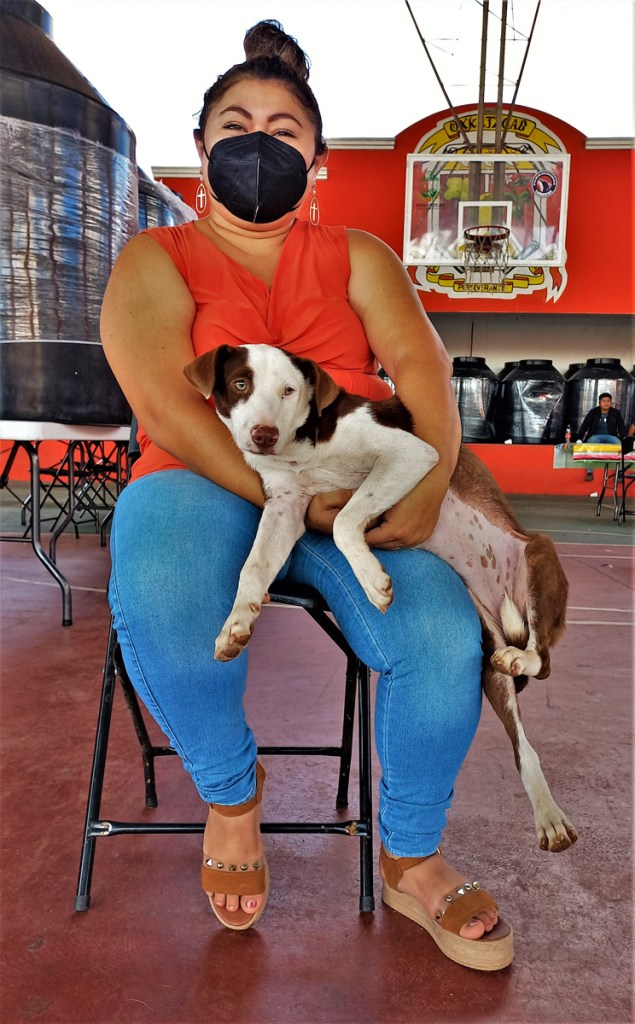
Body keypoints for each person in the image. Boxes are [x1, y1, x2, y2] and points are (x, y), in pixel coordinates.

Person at [100, 20, 512, 969]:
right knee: (163, 592)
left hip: (346, 479)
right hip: (201, 471)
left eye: (284, 131)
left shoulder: (358, 255)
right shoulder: (155, 258)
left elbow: (420, 369)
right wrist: (285, 493)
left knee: (441, 633)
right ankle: (232, 798)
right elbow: (166, 402)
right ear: (201, 145)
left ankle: (411, 858)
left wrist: (429, 479)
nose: (258, 144)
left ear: (316, 160)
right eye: (236, 125)